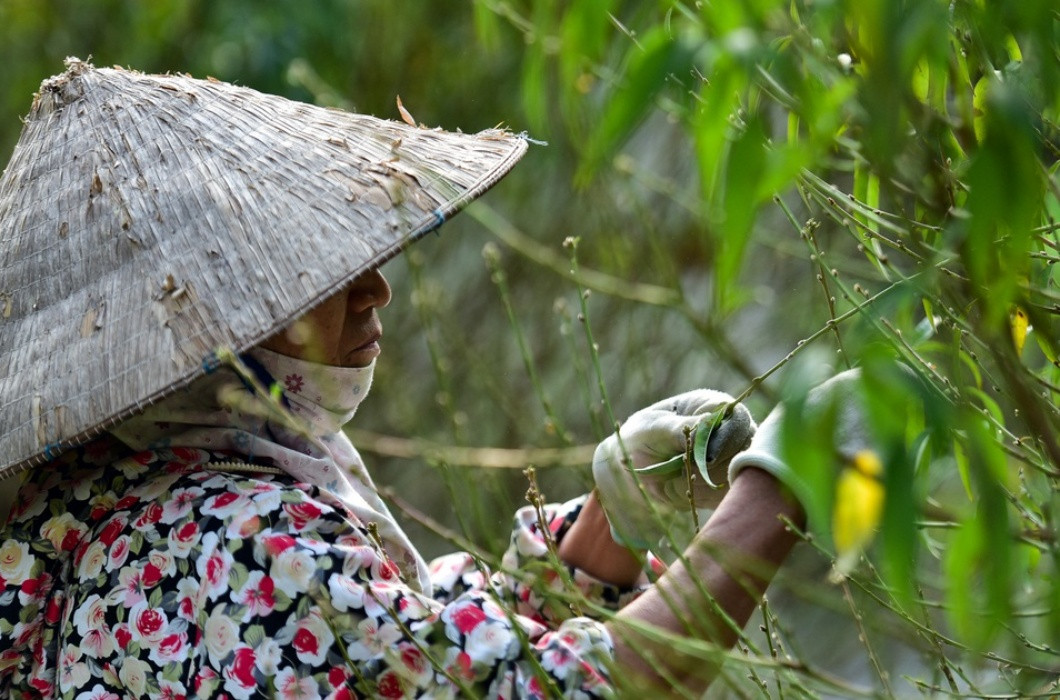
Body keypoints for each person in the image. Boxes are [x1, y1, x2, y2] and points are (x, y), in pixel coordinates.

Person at [0, 61, 834, 698]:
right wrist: (778, 491)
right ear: (200, 331)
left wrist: (610, 525)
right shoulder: (237, 542)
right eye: (307, 274)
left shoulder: (119, 498)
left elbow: (411, 662)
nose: (374, 289)